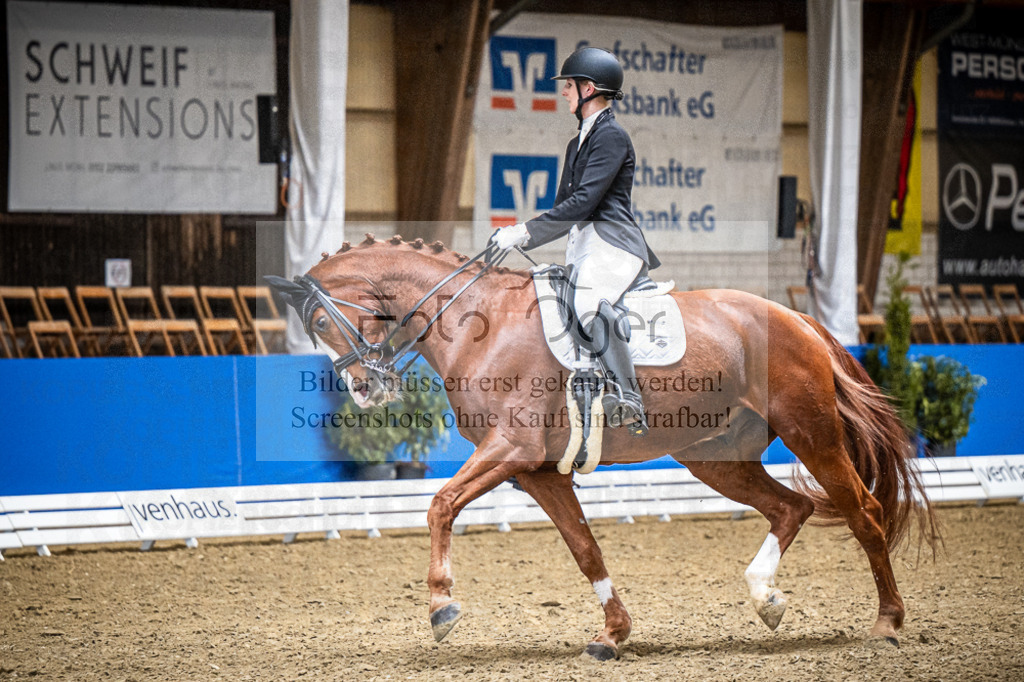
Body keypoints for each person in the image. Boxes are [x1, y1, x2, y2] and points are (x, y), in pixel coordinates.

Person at [490, 46, 660, 436]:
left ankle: (627, 396)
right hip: (584, 245)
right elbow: (565, 206)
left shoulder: (612, 137)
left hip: (614, 243)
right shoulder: (576, 142)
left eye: (568, 85)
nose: (563, 92)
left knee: (586, 302)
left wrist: (524, 232)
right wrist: (522, 233)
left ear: (589, 88)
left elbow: (585, 203)